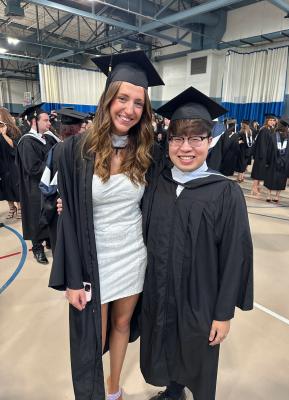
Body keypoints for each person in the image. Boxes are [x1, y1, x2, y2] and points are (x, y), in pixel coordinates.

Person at [49, 50, 164, 400]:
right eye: (123, 98)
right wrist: (70, 278)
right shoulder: (74, 151)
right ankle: (95, 391)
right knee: (92, 337)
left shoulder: (147, 151)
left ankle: (113, 388)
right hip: (91, 259)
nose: (129, 109)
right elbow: (66, 218)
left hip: (132, 253)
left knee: (122, 324)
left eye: (138, 103)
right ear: (107, 99)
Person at [140, 87, 253, 400]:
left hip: (201, 300)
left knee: (199, 354)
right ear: (168, 141)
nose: (185, 148)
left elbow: (235, 258)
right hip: (161, 290)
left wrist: (223, 313)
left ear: (209, 141)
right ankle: (173, 389)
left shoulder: (224, 193)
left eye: (196, 139)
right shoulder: (157, 183)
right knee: (165, 342)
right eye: (178, 138)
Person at [15, 103, 60, 264]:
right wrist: (54, 166)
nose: (49, 123)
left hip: (48, 185)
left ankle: (49, 239)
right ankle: (37, 247)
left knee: (50, 213)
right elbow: (33, 168)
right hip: (34, 189)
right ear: (34, 121)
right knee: (36, 216)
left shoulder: (48, 137)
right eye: (46, 120)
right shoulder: (27, 142)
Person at [39, 108, 89, 252]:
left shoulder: (55, 149)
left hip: (55, 209)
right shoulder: (79, 151)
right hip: (72, 210)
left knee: (60, 250)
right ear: (76, 130)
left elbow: (46, 182)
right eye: (83, 127)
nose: (85, 131)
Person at [0, 107, 21, 219]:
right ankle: (12, 208)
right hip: (2, 163)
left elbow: (15, 147)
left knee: (15, 185)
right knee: (5, 186)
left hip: (12, 162)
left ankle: (20, 208)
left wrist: (4, 134)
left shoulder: (13, 130)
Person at [264, 120, 289, 203]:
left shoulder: (273, 136)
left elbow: (269, 150)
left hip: (273, 161)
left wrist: (267, 162)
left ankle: (268, 195)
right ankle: (277, 197)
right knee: (281, 179)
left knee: (271, 177)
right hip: (285, 162)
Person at [251, 114, 276, 195]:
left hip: (265, 154)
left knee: (261, 172)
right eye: (271, 120)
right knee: (258, 172)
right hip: (261, 155)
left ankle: (257, 187)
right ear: (267, 121)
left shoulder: (269, 129)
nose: (272, 122)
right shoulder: (264, 129)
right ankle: (254, 188)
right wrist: (262, 155)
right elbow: (261, 144)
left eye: (273, 120)